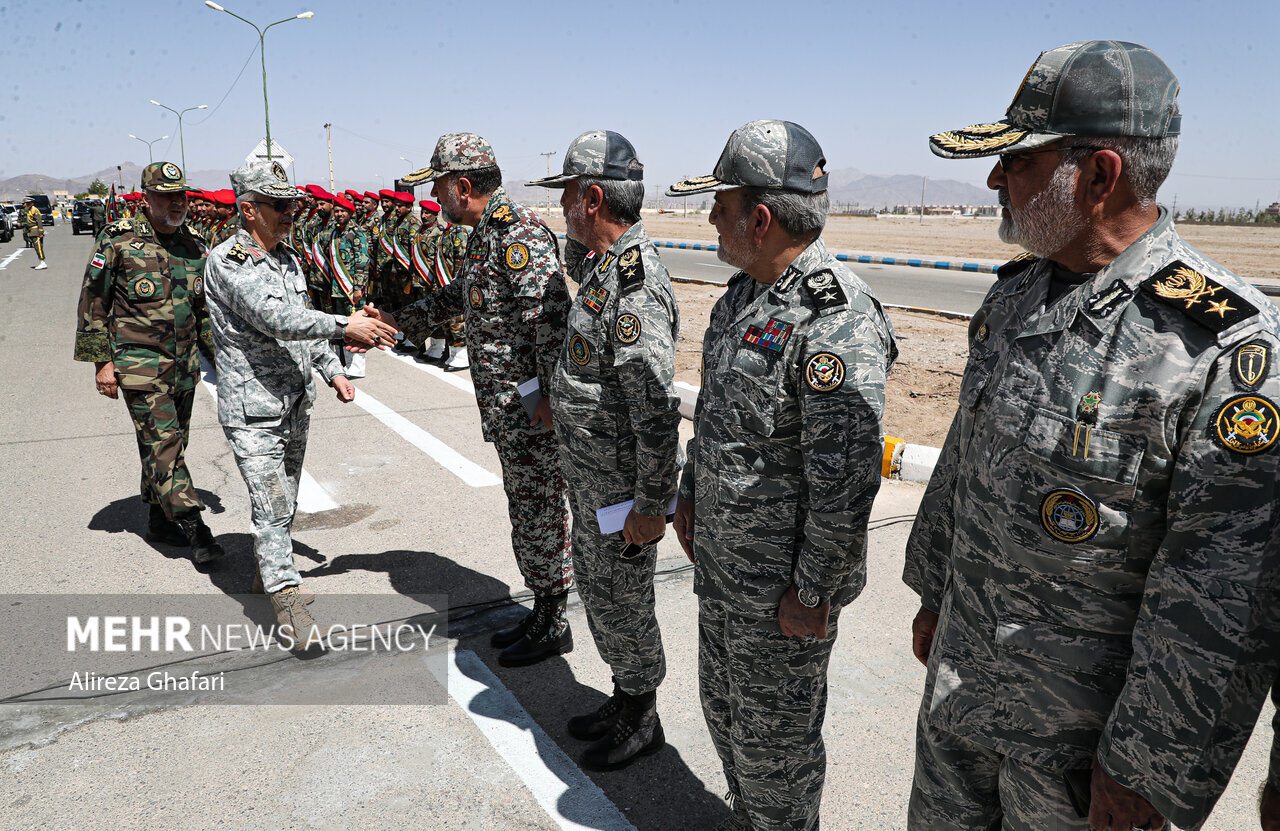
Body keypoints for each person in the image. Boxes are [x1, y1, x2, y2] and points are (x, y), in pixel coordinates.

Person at [905, 40, 1280, 831]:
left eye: (1018, 160)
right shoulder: (1015, 297)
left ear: (1100, 176)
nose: (994, 179)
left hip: (1076, 763)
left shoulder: (1220, 351)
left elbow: (1220, 597)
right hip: (959, 704)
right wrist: (935, 590)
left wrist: (1146, 767)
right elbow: (966, 458)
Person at [669, 120, 896, 830]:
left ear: (760, 219)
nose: (711, 217)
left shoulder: (836, 320)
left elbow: (845, 482)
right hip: (726, 571)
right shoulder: (742, 298)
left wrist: (813, 590)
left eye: (721, 204)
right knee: (725, 717)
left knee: (776, 755)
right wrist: (689, 491)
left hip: (782, 593)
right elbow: (718, 417)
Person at [361, 132, 574, 667]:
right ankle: (544, 607)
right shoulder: (486, 234)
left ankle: (554, 619)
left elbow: (550, 321)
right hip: (511, 409)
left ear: (461, 186)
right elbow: (460, 295)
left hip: (531, 412)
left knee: (540, 510)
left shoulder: (517, 233)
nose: (434, 197)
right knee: (528, 509)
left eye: (437, 186)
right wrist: (398, 319)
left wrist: (549, 398)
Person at [528, 129, 681, 770]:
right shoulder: (602, 266)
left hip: (621, 496)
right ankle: (624, 696)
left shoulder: (635, 287)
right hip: (593, 482)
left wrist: (652, 504)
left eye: (568, 194)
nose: (561, 205)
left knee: (624, 600)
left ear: (592, 199)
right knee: (601, 593)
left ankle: (642, 715)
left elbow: (655, 412)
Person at [202, 160, 396, 648]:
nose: (290, 212)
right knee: (270, 504)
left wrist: (332, 371)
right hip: (252, 407)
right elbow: (275, 319)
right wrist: (345, 326)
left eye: (292, 204)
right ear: (249, 210)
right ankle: (287, 598)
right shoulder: (229, 261)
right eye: (278, 205)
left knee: (286, 499)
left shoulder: (287, 259)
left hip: (292, 401)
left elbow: (303, 323)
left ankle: (266, 572)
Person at [73, 161, 223, 562]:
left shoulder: (193, 244)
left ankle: (159, 520)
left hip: (184, 365)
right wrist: (101, 364)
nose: (177, 203)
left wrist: (222, 360)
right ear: (146, 198)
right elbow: (93, 301)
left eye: (181, 196)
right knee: (163, 443)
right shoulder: (118, 240)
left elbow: (203, 312)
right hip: (139, 364)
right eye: (166, 196)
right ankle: (195, 529)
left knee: (171, 443)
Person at [407, 198, 469, 369]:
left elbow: (461, 259)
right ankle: (452, 354)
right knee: (447, 321)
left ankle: (462, 355)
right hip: (442, 283)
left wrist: (456, 283)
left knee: (456, 321)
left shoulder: (459, 231)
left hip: (452, 283)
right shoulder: (446, 232)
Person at [22, 197, 47, 269]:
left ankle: (42, 262)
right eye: (26, 203)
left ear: (31, 203)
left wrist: (40, 232)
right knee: (36, 247)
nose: (26, 204)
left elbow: (39, 221)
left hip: (35, 230)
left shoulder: (34, 210)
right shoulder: (28, 210)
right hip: (31, 231)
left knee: (38, 247)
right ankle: (41, 261)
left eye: (28, 203)